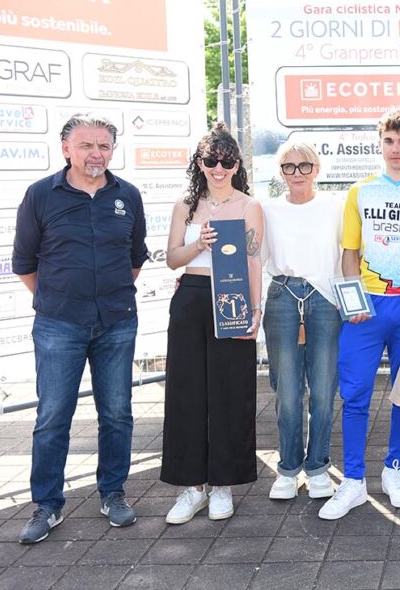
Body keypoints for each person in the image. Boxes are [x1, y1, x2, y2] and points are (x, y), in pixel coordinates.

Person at [12, 114, 148, 544]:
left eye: (104, 146)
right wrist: (59, 299)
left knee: (117, 413)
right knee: (53, 417)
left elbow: (135, 258)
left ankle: (113, 493)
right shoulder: (40, 195)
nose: (96, 154)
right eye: (87, 145)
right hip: (58, 325)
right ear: (66, 149)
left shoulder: (128, 195)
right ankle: (47, 504)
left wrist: (106, 295)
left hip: (117, 322)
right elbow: (24, 263)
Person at [319, 110, 400, 520]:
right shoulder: (361, 191)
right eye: (389, 141)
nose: (396, 148)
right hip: (367, 306)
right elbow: (349, 252)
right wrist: (353, 302)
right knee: (355, 394)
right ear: (380, 144)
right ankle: (353, 480)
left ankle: (394, 468)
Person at [160, 123, 264, 524]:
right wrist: (198, 244)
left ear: (237, 165)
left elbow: (253, 261)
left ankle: (223, 484)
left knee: (230, 391)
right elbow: (172, 259)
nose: (218, 169)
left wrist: (255, 311)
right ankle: (192, 487)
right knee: (186, 393)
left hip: (232, 299)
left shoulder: (249, 206)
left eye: (226, 161)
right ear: (199, 164)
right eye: (211, 161)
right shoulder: (185, 206)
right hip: (190, 297)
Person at [261, 141, 343, 501]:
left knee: (323, 391)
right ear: (280, 172)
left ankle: (318, 466)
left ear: (317, 169)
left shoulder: (335, 206)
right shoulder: (267, 209)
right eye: (289, 167)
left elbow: (349, 254)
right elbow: (253, 257)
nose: (297, 173)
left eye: (305, 165)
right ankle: (289, 467)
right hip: (282, 297)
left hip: (325, 300)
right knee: (288, 392)